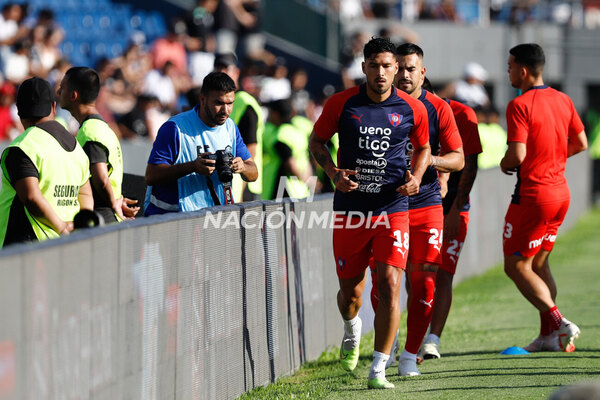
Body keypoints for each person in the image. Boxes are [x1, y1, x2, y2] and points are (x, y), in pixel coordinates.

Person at [309, 37, 431, 389]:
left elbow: (423, 148)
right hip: (351, 211)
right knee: (351, 294)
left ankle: (378, 367)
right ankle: (352, 327)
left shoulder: (412, 108)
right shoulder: (342, 104)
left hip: (393, 209)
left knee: (392, 284)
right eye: (374, 65)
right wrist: (333, 174)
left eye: (387, 66)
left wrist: (418, 177)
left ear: (396, 69)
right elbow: (317, 142)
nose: (380, 72)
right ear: (363, 67)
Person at [369, 44, 464, 377]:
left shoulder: (439, 109)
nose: (406, 75)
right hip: (382, 207)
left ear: (422, 72)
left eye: (413, 69)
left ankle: (410, 355)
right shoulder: (375, 105)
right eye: (402, 68)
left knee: (424, 285)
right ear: (392, 68)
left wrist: (427, 163)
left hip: (425, 206)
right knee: (384, 285)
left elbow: (459, 157)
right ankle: (388, 342)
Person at [500, 43, 587, 352]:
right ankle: (549, 335)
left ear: (523, 71)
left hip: (533, 196)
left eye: (510, 66)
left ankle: (558, 321)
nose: (507, 71)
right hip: (560, 193)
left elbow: (517, 154)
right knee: (539, 264)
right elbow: (581, 142)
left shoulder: (519, 105)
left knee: (516, 266)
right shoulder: (563, 99)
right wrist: (550, 157)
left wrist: (505, 163)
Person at [419, 77, 482, 361]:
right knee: (418, 274)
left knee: (444, 274)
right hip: (418, 204)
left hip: (453, 205)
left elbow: (470, 165)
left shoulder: (462, 113)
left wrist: (457, 208)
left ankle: (433, 339)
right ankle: (415, 337)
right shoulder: (403, 111)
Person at [144, 71, 257, 215]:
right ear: (203, 99)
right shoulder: (174, 128)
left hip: (210, 219)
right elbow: (151, 176)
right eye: (219, 103)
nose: (225, 110)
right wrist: (193, 166)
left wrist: (242, 167)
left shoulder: (231, 128)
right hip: (169, 220)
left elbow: (253, 173)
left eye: (230, 103)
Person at [0, 77, 93, 247]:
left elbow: (31, 196)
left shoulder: (22, 147)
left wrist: (61, 228)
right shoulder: (76, 146)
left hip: (25, 248)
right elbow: (86, 194)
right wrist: (79, 228)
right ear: (53, 107)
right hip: (68, 245)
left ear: (19, 111)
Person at [58, 67, 139, 223]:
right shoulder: (104, 128)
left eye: (62, 88)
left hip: (102, 217)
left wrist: (114, 205)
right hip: (110, 214)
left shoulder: (90, 131)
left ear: (74, 95)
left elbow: (101, 178)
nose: (58, 91)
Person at [213, 51, 264, 201]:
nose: (221, 72)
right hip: (226, 183)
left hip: (244, 185)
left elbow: (250, 151)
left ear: (236, 72)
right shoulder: (215, 101)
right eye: (218, 67)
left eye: (226, 68)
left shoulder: (244, 103)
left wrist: (239, 190)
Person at [263, 98, 312, 200]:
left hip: (286, 188)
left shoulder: (281, 134)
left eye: (270, 113)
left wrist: (301, 177)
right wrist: (307, 180)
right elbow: (306, 159)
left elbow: (290, 163)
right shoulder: (297, 131)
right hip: (301, 189)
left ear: (276, 114)